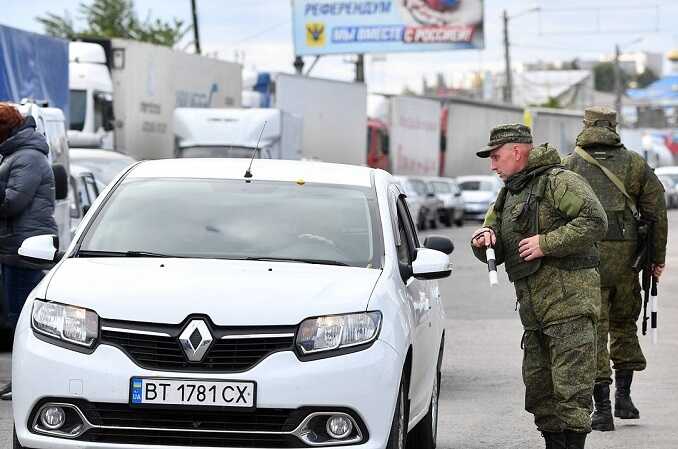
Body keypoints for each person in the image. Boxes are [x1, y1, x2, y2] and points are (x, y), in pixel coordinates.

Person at [470, 124, 608, 449]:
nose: (492, 165)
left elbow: (594, 220)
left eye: (496, 156)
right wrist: (483, 241)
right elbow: (494, 238)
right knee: (540, 389)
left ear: (517, 152)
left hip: (569, 303)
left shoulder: (559, 181)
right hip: (534, 312)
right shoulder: (509, 193)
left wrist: (547, 243)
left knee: (571, 389)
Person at [563, 107, 668, 431]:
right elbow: (656, 213)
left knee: (594, 330)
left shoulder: (570, 165)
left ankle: (602, 409)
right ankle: (624, 397)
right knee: (624, 325)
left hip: (585, 262)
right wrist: (655, 259)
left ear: (587, 126)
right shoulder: (635, 164)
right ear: (613, 127)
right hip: (626, 264)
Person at [0, 103, 58, 400]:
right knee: (13, 317)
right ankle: (20, 380)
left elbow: (12, 202)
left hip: (25, 248)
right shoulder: (15, 155)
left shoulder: (28, 158)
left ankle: (25, 381)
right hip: (14, 246)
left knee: (21, 318)